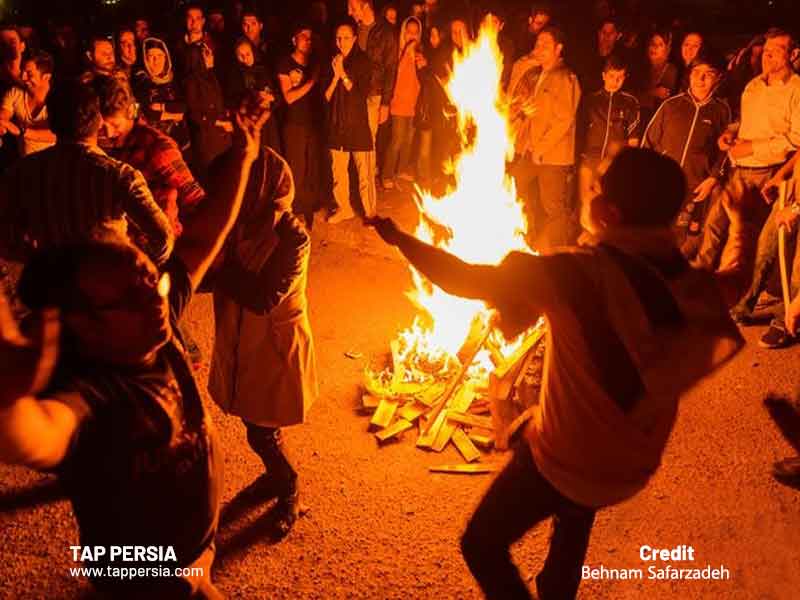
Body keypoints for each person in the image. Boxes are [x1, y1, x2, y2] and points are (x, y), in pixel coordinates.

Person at [368, 147, 743, 600]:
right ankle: (558, 587)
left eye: (596, 187)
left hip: (567, 462)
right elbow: (735, 279)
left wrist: (400, 239)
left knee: (481, 544)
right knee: (573, 501)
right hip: (630, 465)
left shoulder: (574, 274)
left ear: (608, 212)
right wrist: (743, 221)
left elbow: (463, 279)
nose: (589, 190)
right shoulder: (687, 282)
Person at [0, 107, 265, 598]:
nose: (153, 297)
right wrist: (10, 401)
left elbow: (203, 237)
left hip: (187, 557)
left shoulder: (152, 321)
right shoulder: (95, 392)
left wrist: (245, 158)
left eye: (148, 274)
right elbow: (39, 436)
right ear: (83, 322)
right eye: (127, 296)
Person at [208, 144, 318, 539]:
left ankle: (288, 487)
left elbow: (262, 296)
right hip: (244, 338)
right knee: (256, 419)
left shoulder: (292, 238)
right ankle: (276, 477)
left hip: (273, 343)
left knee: (261, 429)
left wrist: (219, 267)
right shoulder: (240, 223)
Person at [0, 79, 173, 267]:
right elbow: (163, 236)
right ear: (99, 121)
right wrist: (133, 267)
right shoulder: (119, 175)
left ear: (52, 122)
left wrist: (39, 262)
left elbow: (6, 236)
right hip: (106, 286)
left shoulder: (23, 172)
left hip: (53, 287)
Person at [694, 28, 800, 277]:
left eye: (777, 50)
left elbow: (796, 139)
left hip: (768, 174)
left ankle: (735, 300)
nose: (768, 55)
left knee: (743, 241)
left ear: (793, 54)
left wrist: (752, 147)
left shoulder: (796, 90)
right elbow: (745, 121)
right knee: (712, 228)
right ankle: (695, 285)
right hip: (738, 169)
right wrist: (731, 133)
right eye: (767, 50)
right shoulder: (754, 86)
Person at [642, 54, 730, 256]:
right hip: (662, 184)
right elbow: (648, 142)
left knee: (681, 240)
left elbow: (724, 153)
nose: (701, 79)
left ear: (717, 78)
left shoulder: (721, 111)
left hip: (694, 187)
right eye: (697, 73)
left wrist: (713, 179)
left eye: (708, 75)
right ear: (689, 76)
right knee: (652, 234)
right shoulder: (671, 105)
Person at [509, 25, 581, 250]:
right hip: (528, 151)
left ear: (559, 48)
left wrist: (541, 148)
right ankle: (521, 241)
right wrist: (521, 110)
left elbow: (564, 120)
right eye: (537, 43)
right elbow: (513, 104)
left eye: (545, 45)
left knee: (553, 207)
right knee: (513, 188)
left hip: (552, 156)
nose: (539, 49)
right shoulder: (532, 74)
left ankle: (557, 256)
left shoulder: (565, 77)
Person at [324, 22, 375, 223]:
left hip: (357, 124)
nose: (341, 42)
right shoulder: (332, 61)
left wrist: (343, 74)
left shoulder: (363, 61)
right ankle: (344, 208)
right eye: (338, 38)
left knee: (364, 172)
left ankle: (370, 213)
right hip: (337, 124)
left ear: (354, 38)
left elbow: (361, 94)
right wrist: (336, 76)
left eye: (346, 38)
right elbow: (325, 97)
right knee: (339, 171)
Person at [577, 54, 639, 205]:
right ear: (604, 76)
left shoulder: (630, 102)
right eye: (611, 76)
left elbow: (633, 141)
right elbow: (579, 133)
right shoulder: (591, 101)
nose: (615, 81)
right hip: (589, 163)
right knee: (586, 205)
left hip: (614, 167)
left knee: (607, 208)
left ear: (625, 78)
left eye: (620, 77)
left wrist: (616, 161)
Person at [277, 24, 323, 226]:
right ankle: (293, 210)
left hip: (313, 122)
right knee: (296, 167)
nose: (307, 40)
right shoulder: (284, 63)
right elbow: (288, 97)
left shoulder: (316, 62)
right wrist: (311, 81)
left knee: (312, 166)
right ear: (294, 40)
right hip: (294, 123)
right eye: (303, 36)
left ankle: (309, 206)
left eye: (310, 37)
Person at [347, 0, 399, 179]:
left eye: (353, 8)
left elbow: (392, 68)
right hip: (353, 93)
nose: (349, 12)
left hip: (373, 95)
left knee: (369, 142)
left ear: (365, 6)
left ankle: (367, 187)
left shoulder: (386, 32)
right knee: (352, 141)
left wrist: (385, 103)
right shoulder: (352, 30)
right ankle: (357, 184)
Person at [382, 16, 423, 190]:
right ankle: (386, 174)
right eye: (409, 31)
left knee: (408, 140)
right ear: (403, 32)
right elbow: (395, 74)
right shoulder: (399, 52)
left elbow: (421, 78)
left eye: (415, 32)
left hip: (413, 103)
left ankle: (401, 171)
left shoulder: (418, 54)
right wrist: (407, 53)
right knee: (397, 140)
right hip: (398, 103)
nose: (412, 35)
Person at [226, 36, 282, 153]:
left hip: (267, 126)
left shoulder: (264, 70)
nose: (245, 58)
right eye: (240, 55)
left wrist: (271, 98)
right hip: (247, 125)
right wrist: (250, 97)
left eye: (247, 54)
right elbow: (231, 100)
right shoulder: (234, 76)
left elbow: (278, 96)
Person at [183, 42, 232, 172]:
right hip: (208, 141)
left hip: (221, 139)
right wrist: (220, 123)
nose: (210, 56)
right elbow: (195, 114)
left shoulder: (210, 76)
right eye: (206, 54)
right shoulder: (191, 82)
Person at [134, 37, 189, 150]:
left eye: (160, 56)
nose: (156, 61)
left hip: (183, 140)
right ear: (145, 58)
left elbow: (185, 106)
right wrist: (176, 115)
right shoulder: (141, 80)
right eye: (151, 56)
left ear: (166, 57)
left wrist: (162, 106)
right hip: (156, 144)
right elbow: (148, 112)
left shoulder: (174, 79)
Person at [0, 51, 56, 157]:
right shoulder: (15, 92)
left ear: (46, 77)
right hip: (26, 163)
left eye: (29, 74)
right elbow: (3, 115)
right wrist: (2, 125)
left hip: (53, 164)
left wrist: (23, 132)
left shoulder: (59, 98)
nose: (23, 77)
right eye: (23, 72)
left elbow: (59, 134)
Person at [637, 30, 678, 125]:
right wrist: (652, 92)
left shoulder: (671, 70)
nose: (654, 47)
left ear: (667, 49)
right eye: (652, 43)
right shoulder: (640, 67)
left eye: (660, 44)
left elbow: (664, 99)